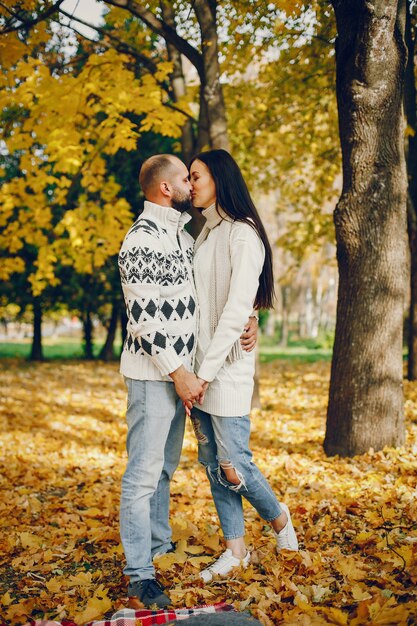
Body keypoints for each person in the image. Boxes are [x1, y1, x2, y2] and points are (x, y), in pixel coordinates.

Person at [118, 154, 257, 609]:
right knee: (142, 474)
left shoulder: (181, 236)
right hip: (154, 375)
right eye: (185, 177)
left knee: (163, 470)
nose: (190, 184)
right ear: (165, 188)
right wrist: (180, 374)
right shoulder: (140, 239)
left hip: (182, 377)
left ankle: (158, 547)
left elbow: (205, 300)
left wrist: (249, 320)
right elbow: (143, 317)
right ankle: (140, 574)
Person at [188, 149, 299, 584]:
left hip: (224, 371)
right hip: (198, 370)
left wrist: (204, 373)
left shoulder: (242, 234)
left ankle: (279, 519)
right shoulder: (207, 234)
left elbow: (236, 310)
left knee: (235, 464)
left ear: (218, 177)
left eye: (196, 176)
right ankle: (236, 550)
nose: (191, 184)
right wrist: (189, 372)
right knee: (213, 465)